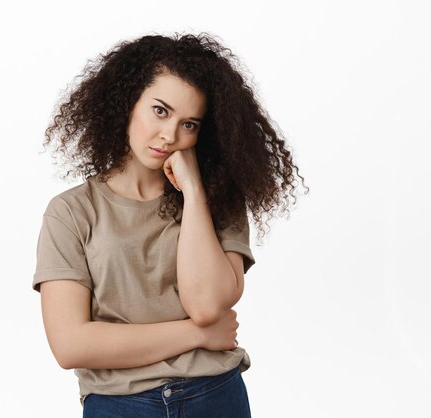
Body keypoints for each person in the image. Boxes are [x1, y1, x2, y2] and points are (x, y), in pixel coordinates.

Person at [32, 32, 308, 417]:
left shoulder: (219, 202)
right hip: (119, 405)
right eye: (160, 111)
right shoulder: (71, 212)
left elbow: (208, 305)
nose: (170, 136)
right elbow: (70, 344)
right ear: (128, 102)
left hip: (215, 397)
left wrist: (194, 193)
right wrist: (195, 334)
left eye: (189, 124)